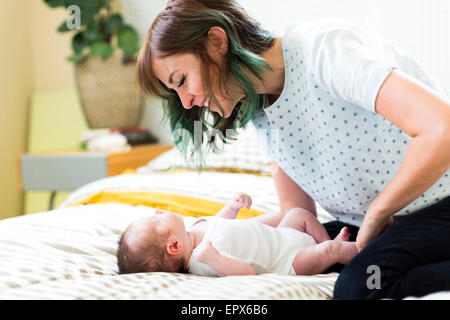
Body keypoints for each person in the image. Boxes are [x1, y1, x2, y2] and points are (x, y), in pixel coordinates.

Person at [136, 0, 450, 298]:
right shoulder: (257, 105)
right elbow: (295, 215)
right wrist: (205, 234)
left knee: (359, 286)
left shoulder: (323, 50)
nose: (186, 101)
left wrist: (377, 213)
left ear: (217, 41)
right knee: (302, 253)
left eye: (182, 80)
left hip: (438, 203)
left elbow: (441, 129)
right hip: (383, 221)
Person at [117, 192, 358, 276]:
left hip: (283, 235)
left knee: (298, 213)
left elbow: (220, 223)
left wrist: (232, 207)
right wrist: (216, 259)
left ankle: (330, 244)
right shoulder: (204, 260)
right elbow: (247, 272)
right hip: (289, 261)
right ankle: (350, 251)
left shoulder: (194, 230)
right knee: (328, 251)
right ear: (174, 247)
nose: (158, 211)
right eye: (155, 218)